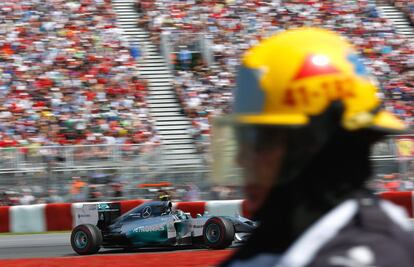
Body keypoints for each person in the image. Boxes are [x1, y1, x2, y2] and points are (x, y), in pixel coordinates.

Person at [216, 28, 414, 267]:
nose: (241, 159)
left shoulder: (371, 253)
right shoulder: (278, 240)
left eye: (260, 140)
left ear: (316, 150)